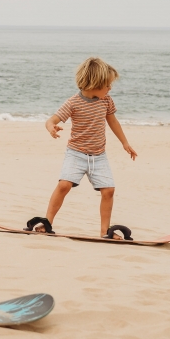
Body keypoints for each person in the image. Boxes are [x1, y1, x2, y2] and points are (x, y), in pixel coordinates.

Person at [31, 57, 137, 239]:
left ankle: (105, 232)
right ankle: (47, 222)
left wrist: (125, 143)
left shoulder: (106, 101)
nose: (110, 88)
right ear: (95, 83)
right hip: (76, 154)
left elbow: (112, 121)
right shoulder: (73, 102)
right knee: (64, 185)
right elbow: (52, 120)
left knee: (109, 190)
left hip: (99, 156)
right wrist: (51, 128)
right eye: (108, 85)